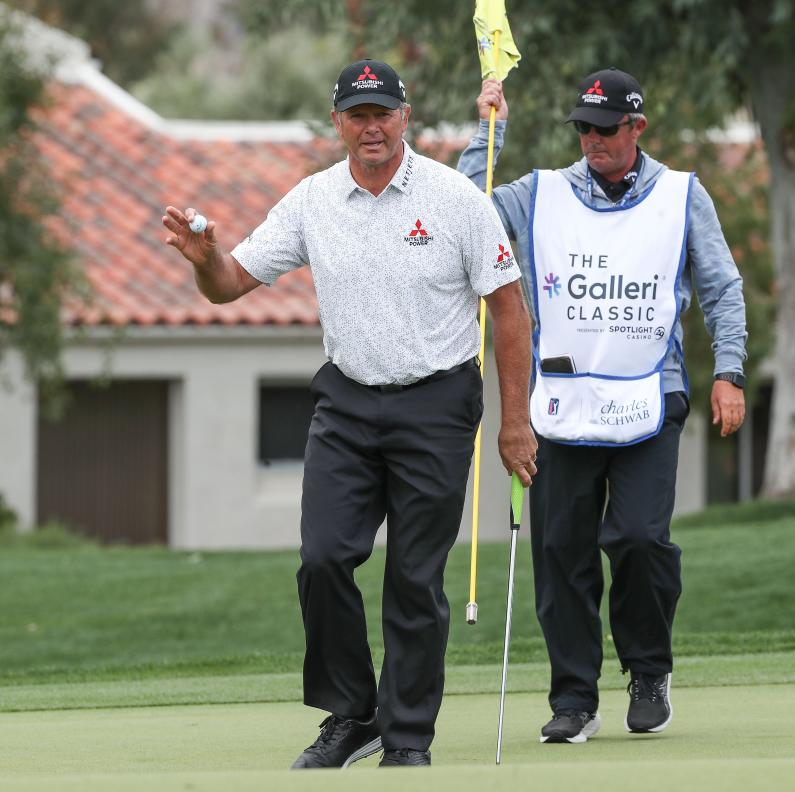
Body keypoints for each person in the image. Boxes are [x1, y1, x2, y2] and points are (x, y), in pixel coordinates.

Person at [162, 59, 538, 768]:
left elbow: (510, 313)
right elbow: (229, 285)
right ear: (338, 123)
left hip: (437, 401)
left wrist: (514, 420)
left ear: (406, 117)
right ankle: (352, 712)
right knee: (323, 559)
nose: (372, 126)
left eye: (383, 112)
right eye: (358, 114)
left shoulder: (456, 198)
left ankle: (406, 736)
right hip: (347, 400)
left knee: (414, 578)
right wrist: (204, 260)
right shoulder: (312, 201)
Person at [457, 68, 747, 743]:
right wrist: (487, 130)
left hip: (651, 392)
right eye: (583, 129)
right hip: (559, 400)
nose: (592, 140)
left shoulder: (681, 195)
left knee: (641, 539)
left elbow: (722, 286)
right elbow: (465, 212)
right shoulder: (541, 194)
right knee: (562, 550)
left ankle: (648, 671)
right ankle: (573, 700)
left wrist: (729, 370)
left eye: (605, 129)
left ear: (636, 128)